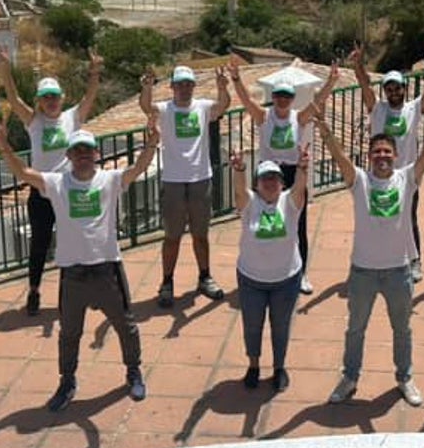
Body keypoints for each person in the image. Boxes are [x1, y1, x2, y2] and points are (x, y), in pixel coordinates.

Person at [0, 116, 158, 412]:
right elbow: (24, 172)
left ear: (96, 154)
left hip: (107, 270)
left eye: (87, 150)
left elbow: (139, 168)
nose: (82, 155)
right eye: (77, 150)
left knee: (126, 326)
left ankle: (133, 371)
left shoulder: (110, 179)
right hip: (73, 276)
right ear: (68, 156)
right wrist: (5, 147)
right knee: (69, 334)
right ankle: (67, 382)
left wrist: (153, 142)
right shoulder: (57, 183)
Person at [316, 102, 424, 407]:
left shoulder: (406, 179)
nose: (382, 156)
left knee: (402, 329)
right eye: (376, 152)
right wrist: (326, 133)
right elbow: (340, 158)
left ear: (396, 155)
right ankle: (350, 377)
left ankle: (405, 378)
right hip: (362, 271)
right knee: (355, 329)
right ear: (369, 157)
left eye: (387, 152)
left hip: (399, 271)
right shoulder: (360, 181)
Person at [0, 44, 101, 315]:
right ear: (39, 101)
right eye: (46, 97)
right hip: (42, 193)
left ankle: (74, 293)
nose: (51, 101)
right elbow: (13, 96)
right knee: (39, 245)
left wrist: (94, 71)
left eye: (54, 96)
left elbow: (91, 96)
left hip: (67, 192)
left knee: (74, 243)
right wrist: (6, 69)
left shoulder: (71, 118)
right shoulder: (34, 121)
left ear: (62, 98)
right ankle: (34, 291)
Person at [228, 57, 339, 294]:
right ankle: (261, 265)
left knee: (298, 226)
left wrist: (331, 81)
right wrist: (236, 79)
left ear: (292, 99)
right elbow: (246, 100)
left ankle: (302, 274)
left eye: (287, 96)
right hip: (268, 174)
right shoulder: (263, 117)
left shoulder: (298, 117)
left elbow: (318, 100)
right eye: (278, 95)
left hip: (290, 172)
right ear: (273, 97)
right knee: (259, 219)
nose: (282, 100)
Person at [350, 43, 424, 282]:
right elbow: (364, 86)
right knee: (375, 217)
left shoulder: (413, 109)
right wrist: (358, 66)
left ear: (404, 89)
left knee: (408, 218)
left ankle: (414, 260)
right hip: (377, 177)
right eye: (389, 88)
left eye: (397, 88)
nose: (393, 92)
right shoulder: (377, 110)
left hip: (407, 177)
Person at [140, 65, 231, 308]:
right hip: (173, 181)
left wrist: (223, 87)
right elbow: (147, 107)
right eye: (179, 84)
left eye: (188, 84)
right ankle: (167, 282)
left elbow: (222, 107)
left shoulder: (202, 107)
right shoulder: (165, 109)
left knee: (201, 235)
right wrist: (147, 87)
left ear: (193, 86)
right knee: (172, 236)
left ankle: (205, 277)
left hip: (200, 178)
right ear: (171, 87)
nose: (183, 88)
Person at [229, 146, 310, 393]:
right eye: (264, 178)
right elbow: (239, 191)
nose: (270, 182)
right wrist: (240, 169)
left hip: (286, 278)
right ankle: (253, 365)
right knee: (252, 325)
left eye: (274, 178)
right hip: (252, 278)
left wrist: (302, 167)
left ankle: (278, 367)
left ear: (281, 183)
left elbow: (299, 188)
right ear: (257, 184)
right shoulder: (250, 203)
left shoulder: (290, 202)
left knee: (281, 325)